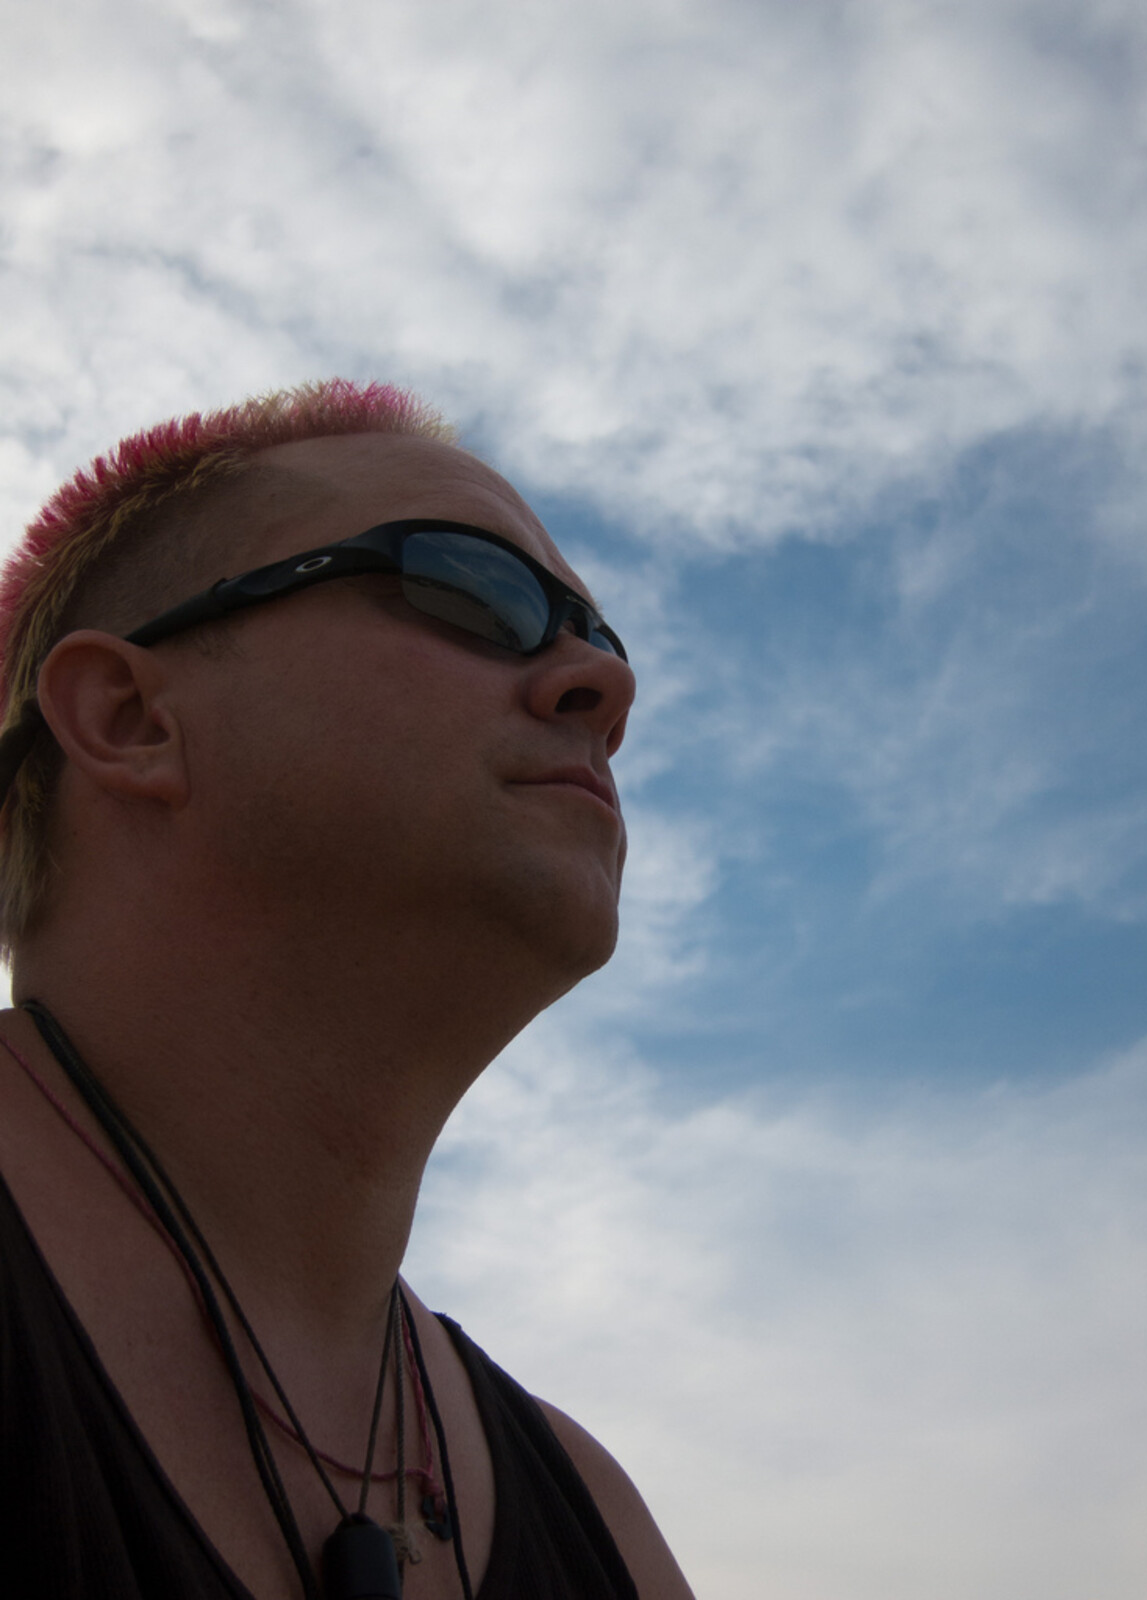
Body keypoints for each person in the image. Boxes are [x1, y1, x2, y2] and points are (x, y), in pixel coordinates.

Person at [0, 380, 696, 1600]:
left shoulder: (599, 1524)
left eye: (601, 636)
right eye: (475, 588)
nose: (602, 688)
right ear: (128, 716)